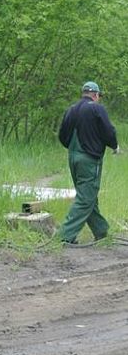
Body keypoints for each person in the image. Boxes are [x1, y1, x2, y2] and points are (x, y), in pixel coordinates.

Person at [57, 81, 119, 244]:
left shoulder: (70, 110)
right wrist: (115, 145)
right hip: (89, 160)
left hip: (73, 158)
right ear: (95, 95)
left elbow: (62, 136)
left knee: (88, 195)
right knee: (85, 198)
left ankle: (101, 231)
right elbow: (108, 130)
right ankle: (64, 235)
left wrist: (73, 150)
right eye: (99, 96)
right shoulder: (96, 108)